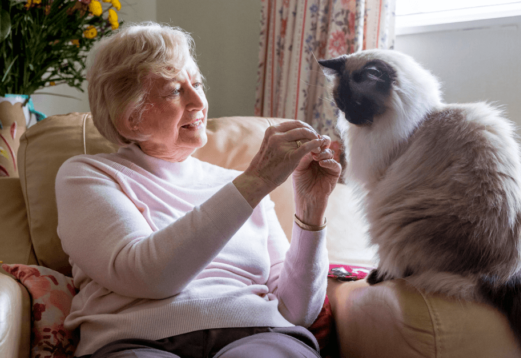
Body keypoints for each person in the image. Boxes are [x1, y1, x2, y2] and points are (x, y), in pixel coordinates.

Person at [55, 22, 341, 358]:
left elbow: (297, 312)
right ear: (129, 116)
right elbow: (147, 276)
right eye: (175, 90)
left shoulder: (240, 185)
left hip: (259, 335)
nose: (198, 102)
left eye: (197, 83)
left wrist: (311, 210)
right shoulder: (89, 175)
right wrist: (255, 181)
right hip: (137, 342)